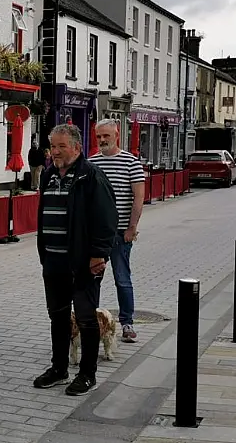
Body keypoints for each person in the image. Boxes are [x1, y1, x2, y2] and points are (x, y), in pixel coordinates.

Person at [33, 124, 118, 396]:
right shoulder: (48, 175)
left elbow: (107, 220)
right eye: (53, 147)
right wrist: (45, 255)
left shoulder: (91, 176)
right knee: (57, 317)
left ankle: (87, 373)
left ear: (77, 148)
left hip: (83, 263)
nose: (55, 152)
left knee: (85, 319)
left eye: (61, 146)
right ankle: (59, 368)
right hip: (54, 262)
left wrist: (98, 255)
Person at [89, 119, 145, 342]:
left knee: (122, 279)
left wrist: (132, 227)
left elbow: (138, 198)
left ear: (116, 135)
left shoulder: (131, 162)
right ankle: (91, 322)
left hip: (121, 233)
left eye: (106, 136)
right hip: (96, 235)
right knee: (93, 279)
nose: (102, 140)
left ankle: (127, 323)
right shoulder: (92, 163)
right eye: (99, 137)